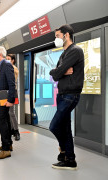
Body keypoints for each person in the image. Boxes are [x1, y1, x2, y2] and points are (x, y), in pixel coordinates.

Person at [49, 24, 84, 170]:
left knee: (54, 125)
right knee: (65, 127)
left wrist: (58, 72)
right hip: (63, 94)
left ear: (66, 35)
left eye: (57, 36)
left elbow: (57, 73)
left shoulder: (75, 51)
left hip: (70, 94)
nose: (56, 39)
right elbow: (55, 73)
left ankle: (63, 150)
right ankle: (70, 159)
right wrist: (58, 71)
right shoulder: (64, 54)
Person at [0, 46, 16, 159]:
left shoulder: (6, 64)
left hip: (5, 99)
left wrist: (11, 100)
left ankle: (6, 149)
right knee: (5, 121)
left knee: (2, 122)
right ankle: (8, 144)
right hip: (1, 99)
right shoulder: (0, 65)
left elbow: (12, 84)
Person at [6, 54, 20, 141]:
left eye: (8, 59)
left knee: (11, 112)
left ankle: (16, 131)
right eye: (6, 59)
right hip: (6, 92)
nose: (7, 61)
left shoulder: (14, 68)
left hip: (12, 92)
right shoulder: (7, 68)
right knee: (8, 113)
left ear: (13, 60)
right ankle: (11, 130)